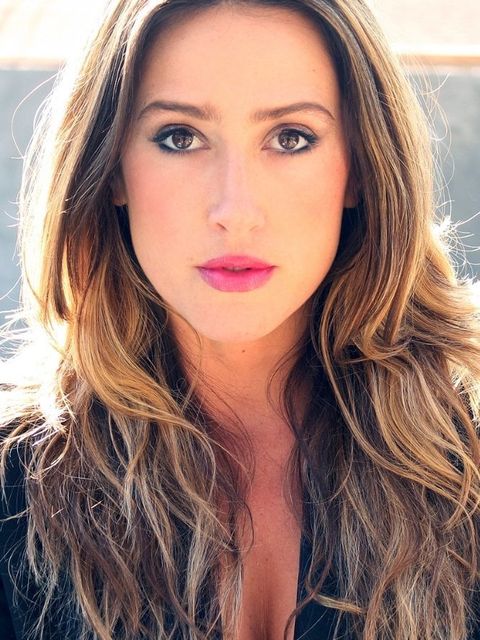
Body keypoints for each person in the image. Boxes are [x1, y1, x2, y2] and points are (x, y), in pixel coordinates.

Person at [1, 0, 480, 638]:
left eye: (291, 138)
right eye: (179, 137)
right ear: (111, 169)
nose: (236, 211)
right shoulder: (15, 479)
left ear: (360, 171)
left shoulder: (467, 458)